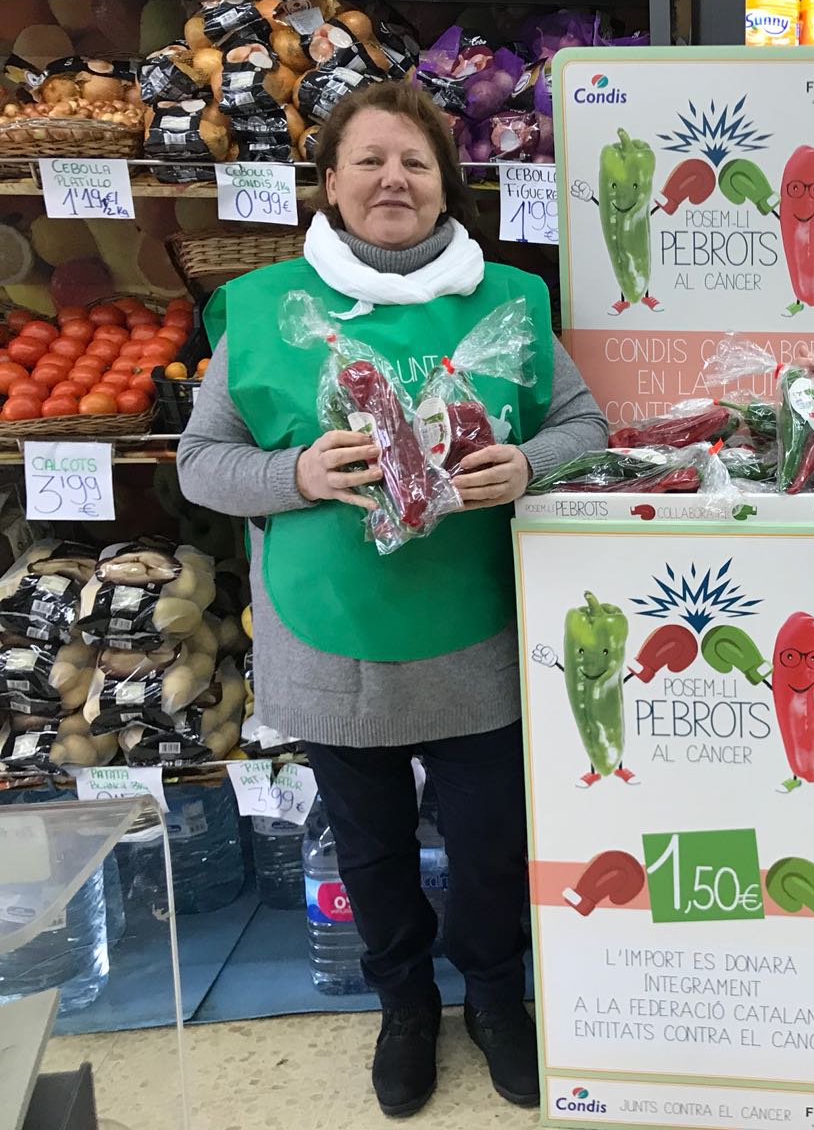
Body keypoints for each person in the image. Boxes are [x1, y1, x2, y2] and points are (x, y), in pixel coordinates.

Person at [177, 81, 607, 1119]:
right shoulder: (266, 308)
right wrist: (296, 474)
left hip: (478, 627)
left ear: (445, 185)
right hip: (330, 637)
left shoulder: (511, 299)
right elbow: (200, 463)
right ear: (329, 183)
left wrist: (528, 465)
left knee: (490, 843)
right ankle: (404, 1005)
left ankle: (496, 997)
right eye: (368, 160)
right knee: (369, 849)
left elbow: (584, 426)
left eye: (414, 162)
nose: (393, 180)